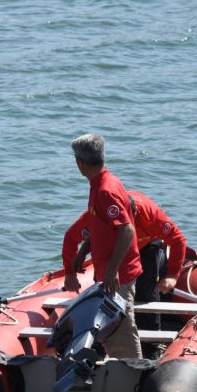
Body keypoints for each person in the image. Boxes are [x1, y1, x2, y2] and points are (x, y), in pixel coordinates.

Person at [65, 133, 143, 359]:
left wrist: (112, 270)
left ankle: (131, 376)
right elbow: (102, 226)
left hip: (118, 274)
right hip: (109, 269)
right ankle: (120, 370)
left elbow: (126, 229)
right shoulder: (102, 183)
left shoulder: (105, 190)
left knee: (122, 330)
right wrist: (84, 249)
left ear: (81, 163)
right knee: (112, 330)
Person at [63, 190, 187, 306]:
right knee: (103, 290)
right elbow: (70, 237)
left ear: (135, 214)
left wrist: (172, 275)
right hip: (109, 245)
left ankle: (149, 323)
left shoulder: (151, 217)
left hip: (146, 245)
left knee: (146, 291)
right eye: (119, 225)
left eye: (127, 224)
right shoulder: (97, 214)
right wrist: (70, 273)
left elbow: (178, 239)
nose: (123, 228)